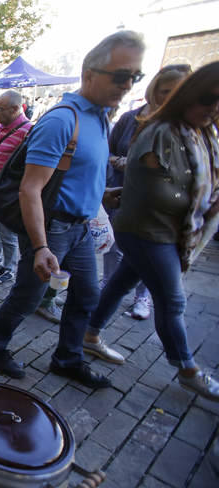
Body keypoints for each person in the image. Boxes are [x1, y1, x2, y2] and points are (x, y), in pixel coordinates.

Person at [0, 30, 146, 387]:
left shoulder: (100, 116)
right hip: (52, 228)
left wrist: (101, 195)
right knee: (29, 295)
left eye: (135, 76)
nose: (128, 85)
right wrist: (40, 247)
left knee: (86, 295)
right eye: (121, 76)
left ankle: (67, 359)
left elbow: (77, 173)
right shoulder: (61, 120)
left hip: (80, 227)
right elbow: (30, 188)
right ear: (90, 74)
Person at [83, 61, 219, 400]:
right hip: (148, 231)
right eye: (207, 100)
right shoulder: (159, 131)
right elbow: (157, 189)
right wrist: (203, 203)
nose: (213, 108)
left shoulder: (200, 132)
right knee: (171, 300)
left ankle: (89, 333)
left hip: (166, 230)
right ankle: (188, 370)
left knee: (120, 282)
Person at [104, 64, 192, 320]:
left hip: (162, 213)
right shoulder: (130, 119)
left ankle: (141, 297)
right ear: (154, 90)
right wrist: (121, 162)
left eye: (180, 91)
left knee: (164, 290)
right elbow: (107, 151)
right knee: (118, 252)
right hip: (123, 196)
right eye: (166, 91)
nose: (171, 97)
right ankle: (103, 298)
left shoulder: (187, 127)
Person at [0, 90, 33, 285]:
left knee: (7, 232)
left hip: (8, 192)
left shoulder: (27, 131)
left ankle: (9, 267)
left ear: (15, 109)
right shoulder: (1, 127)